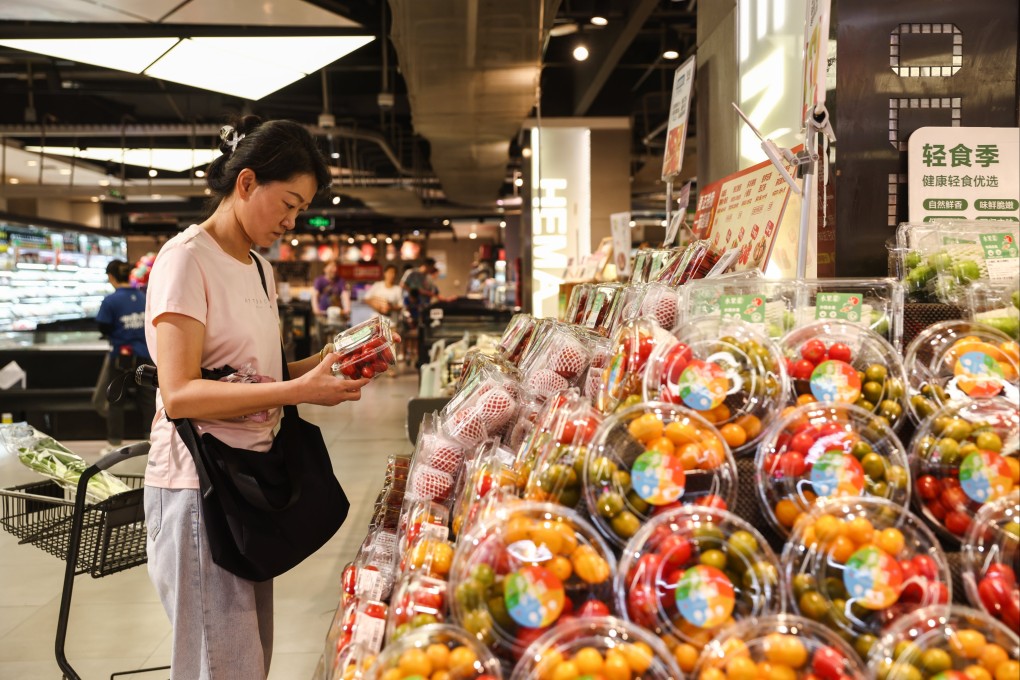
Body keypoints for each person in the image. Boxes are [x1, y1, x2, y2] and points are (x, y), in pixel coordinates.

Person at [143, 116, 383, 679]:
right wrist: (300, 388)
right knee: (218, 664)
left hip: (248, 482)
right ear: (246, 182)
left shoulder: (258, 269)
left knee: (248, 660)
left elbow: (260, 375)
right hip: (199, 486)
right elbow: (179, 394)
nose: (292, 221)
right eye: (289, 203)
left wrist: (330, 366)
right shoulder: (186, 259)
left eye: (301, 210)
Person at [93, 259, 156, 447]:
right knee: (147, 399)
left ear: (111, 277)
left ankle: (115, 441)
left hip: (122, 356)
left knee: (116, 398)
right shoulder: (144, 297)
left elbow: (103, 326)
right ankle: (152, 441)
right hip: (146, 355)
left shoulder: (111, 301)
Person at [401, 258, 440, 368]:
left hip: (422, 311)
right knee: (407, 335)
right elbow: (403, 285)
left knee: (420, 335)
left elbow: (434, 292)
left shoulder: (428, 278)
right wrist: (416, 292)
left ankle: (418, 357)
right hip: (410, 309)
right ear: (427, 265)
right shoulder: (411, 273)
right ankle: (407, 355)